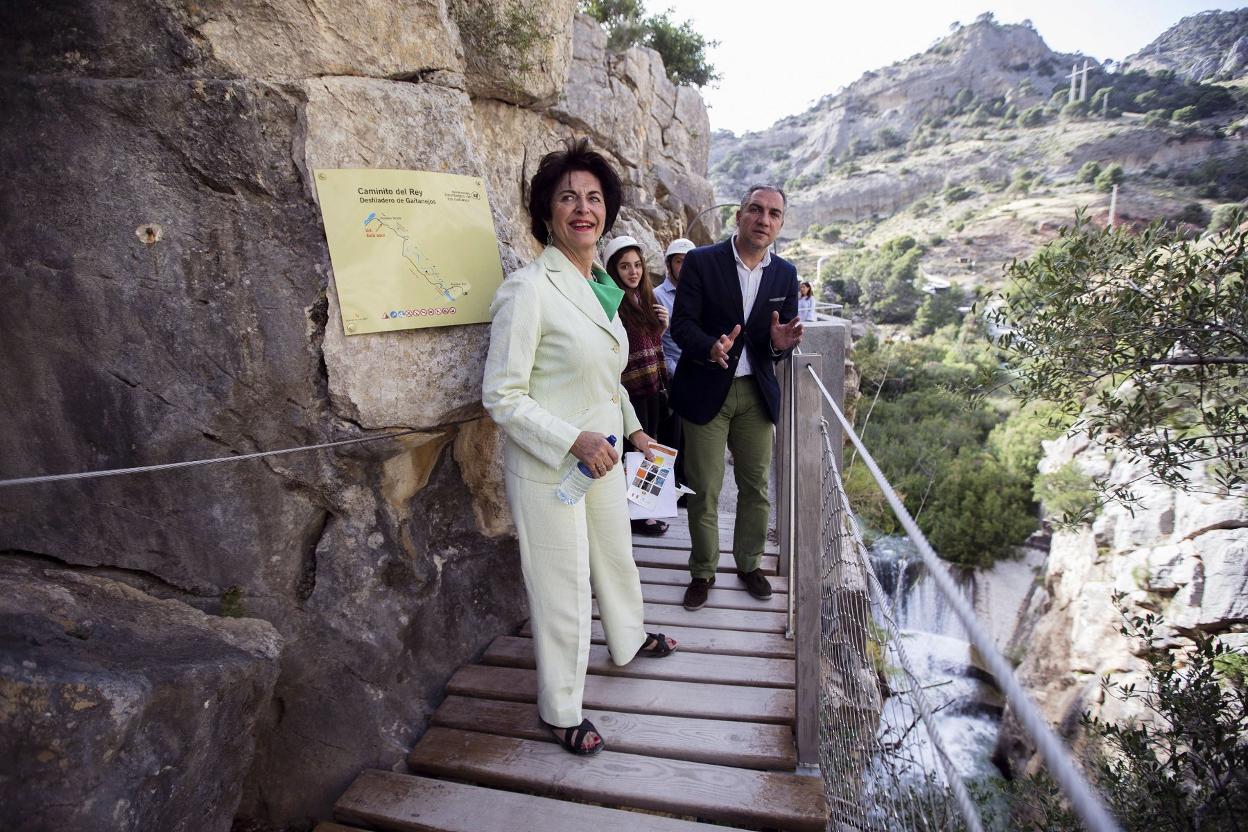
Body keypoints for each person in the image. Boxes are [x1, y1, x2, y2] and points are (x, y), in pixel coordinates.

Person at [481, 138, 677, 756]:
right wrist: (575, 440)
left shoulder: (599, 287)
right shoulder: (528, 289)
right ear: (547, 213)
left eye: (593, 198)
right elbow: (502, 396)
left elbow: (606, 377)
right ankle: (561, 707)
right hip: (551, 467)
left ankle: (628, 637)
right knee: (562, 586)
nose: (582, 208)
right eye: (568, 197)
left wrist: (635, 430)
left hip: (605, 456)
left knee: (617, 555)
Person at [669, 185, 804, 611]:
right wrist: (710, 346)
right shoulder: (702, 262)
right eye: (756, 210)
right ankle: (703, 570)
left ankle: (749, 565)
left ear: (780, 224)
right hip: (707, 386)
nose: (764, 219)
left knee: (755, 487)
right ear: (739, 216)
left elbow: (780, 340)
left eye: (774, 214)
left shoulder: (785, 273)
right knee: (705, 489)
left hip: (756, 393)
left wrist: (781, 345)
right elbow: (681, 326)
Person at [603, 235, 671, 537]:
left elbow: (654, 343)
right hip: (630, 388)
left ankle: (646, 509)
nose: (633, 272)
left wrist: (663, 325)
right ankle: (637, 516)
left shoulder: (646, 300)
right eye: (624, 266)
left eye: (637, 265)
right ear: (614, 270)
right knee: (636, 450)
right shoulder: (613, 304)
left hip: (653, 384)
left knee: (651, 446)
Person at [654, 238, 694, 491]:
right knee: (671, 436)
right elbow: (654, 338)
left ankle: (688, 487)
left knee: (694, 438)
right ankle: (669, 489)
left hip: (696, 373)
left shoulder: (698, 293)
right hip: (671, 375)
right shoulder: (657, 295)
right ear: (670, 265)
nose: (685, 267)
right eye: (680, 261)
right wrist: (673, 370)